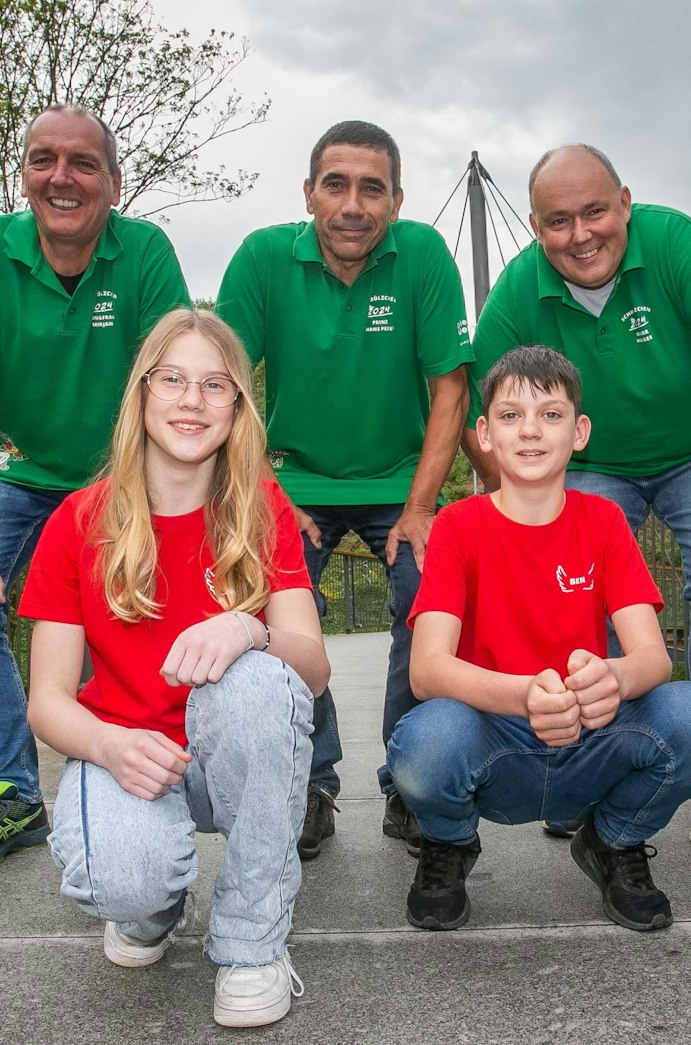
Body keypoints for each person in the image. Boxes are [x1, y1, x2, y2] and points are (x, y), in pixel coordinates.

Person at [469, 144, 691, 874]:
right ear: (534, 227)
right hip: (591, 461)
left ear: (625, 201)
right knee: (569, 585)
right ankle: (596, 769)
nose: (581, 233)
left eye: (596, 211)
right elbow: (482, 420)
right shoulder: (517, 294)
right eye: (559, 221)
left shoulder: (676, 244)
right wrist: (511, 514)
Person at [19, 308, 328, 1028]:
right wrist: (107, 745)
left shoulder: (260, 507)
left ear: (237, 408)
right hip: (128, 753)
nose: (192, 400)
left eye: (215, 385)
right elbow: (48, 701)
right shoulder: (78, 520)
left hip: (227, 757)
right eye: (174, 379)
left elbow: (311, 670)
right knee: (129, 887)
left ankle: (252, 942)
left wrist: (249, 627)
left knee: (261, 681)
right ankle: (155, 903)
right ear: (142, 393)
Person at [0, 105, 190, 869]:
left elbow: (173, 383)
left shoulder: (145, 254)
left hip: (122, 474)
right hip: (20, 467)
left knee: (130, 609)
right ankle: (14, 796)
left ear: (114, 182)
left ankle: (111, 771)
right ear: (24, 173)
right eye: (43, 160)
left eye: (82, 164)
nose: (61, 178)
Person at [387, 346, 691, 932]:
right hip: (493, 738)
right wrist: (525, 697)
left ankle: (615, 841)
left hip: (589, 737)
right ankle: (449, 843)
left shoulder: (603, 521)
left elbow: (653, 657)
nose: (530, 430)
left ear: (580, 432)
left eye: (551, 414)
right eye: (511, 414)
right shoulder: (457, 526)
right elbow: (428, 669)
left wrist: (616, 678)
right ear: (485, 434)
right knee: (424, 743)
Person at [215, 120, 474, 860]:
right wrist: (268, 493)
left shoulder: (422, 253)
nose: (353, 204)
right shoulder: (263, 259)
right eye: (336, 184)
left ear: (396, 200)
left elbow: (451, 391)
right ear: (308, 194)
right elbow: (226, 387)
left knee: (429, 598)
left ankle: (411, 783)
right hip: (291, 476)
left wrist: (422, 507)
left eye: (372, 187)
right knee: (267, 600)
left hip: (402, 477)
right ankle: (311, 783)